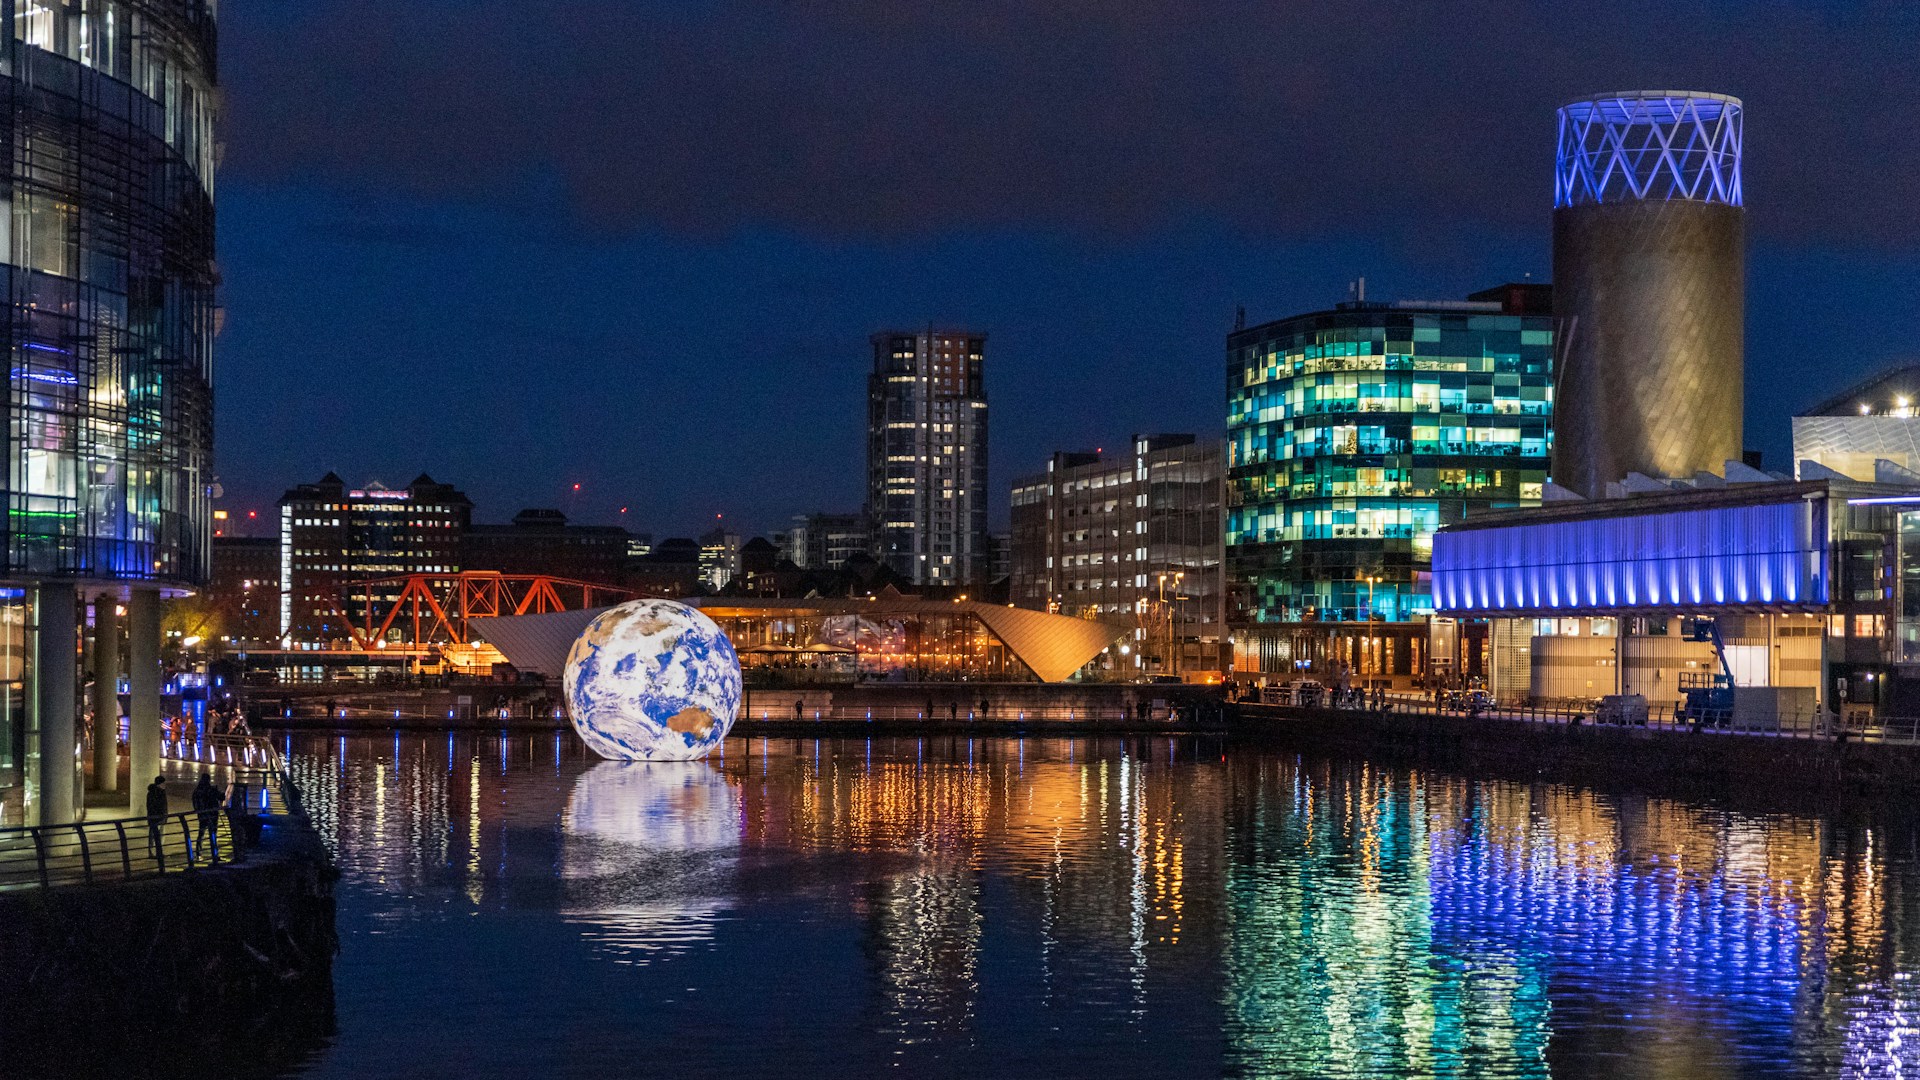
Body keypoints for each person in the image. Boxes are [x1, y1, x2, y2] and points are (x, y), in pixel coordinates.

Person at [191, 773, 221, 863]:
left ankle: (198, 854)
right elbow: (220, 797)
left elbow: (195, 802)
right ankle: (214, 854)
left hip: (203, 815)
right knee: (213, 835)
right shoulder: (211, 789)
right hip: (212, 815)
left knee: (201, 834)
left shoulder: (198, 790)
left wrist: (199, 811)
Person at [225, 776, 252, 860]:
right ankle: (239, 854)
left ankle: (237, 854)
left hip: (235, 823)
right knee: (239, 837)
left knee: (236, 837)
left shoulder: (231, 807)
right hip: (237, 823)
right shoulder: (238, 807)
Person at [144, 774, 169, 862]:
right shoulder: (155, 793)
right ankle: (154, 853)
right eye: (163, 783)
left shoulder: (159, 792)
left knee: (158, 836)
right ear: (159, 784)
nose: (165, 785)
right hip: (156, 818)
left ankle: (158, 852)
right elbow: (153, 806)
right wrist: (160, 816)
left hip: (160, 818)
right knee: (155, 836)